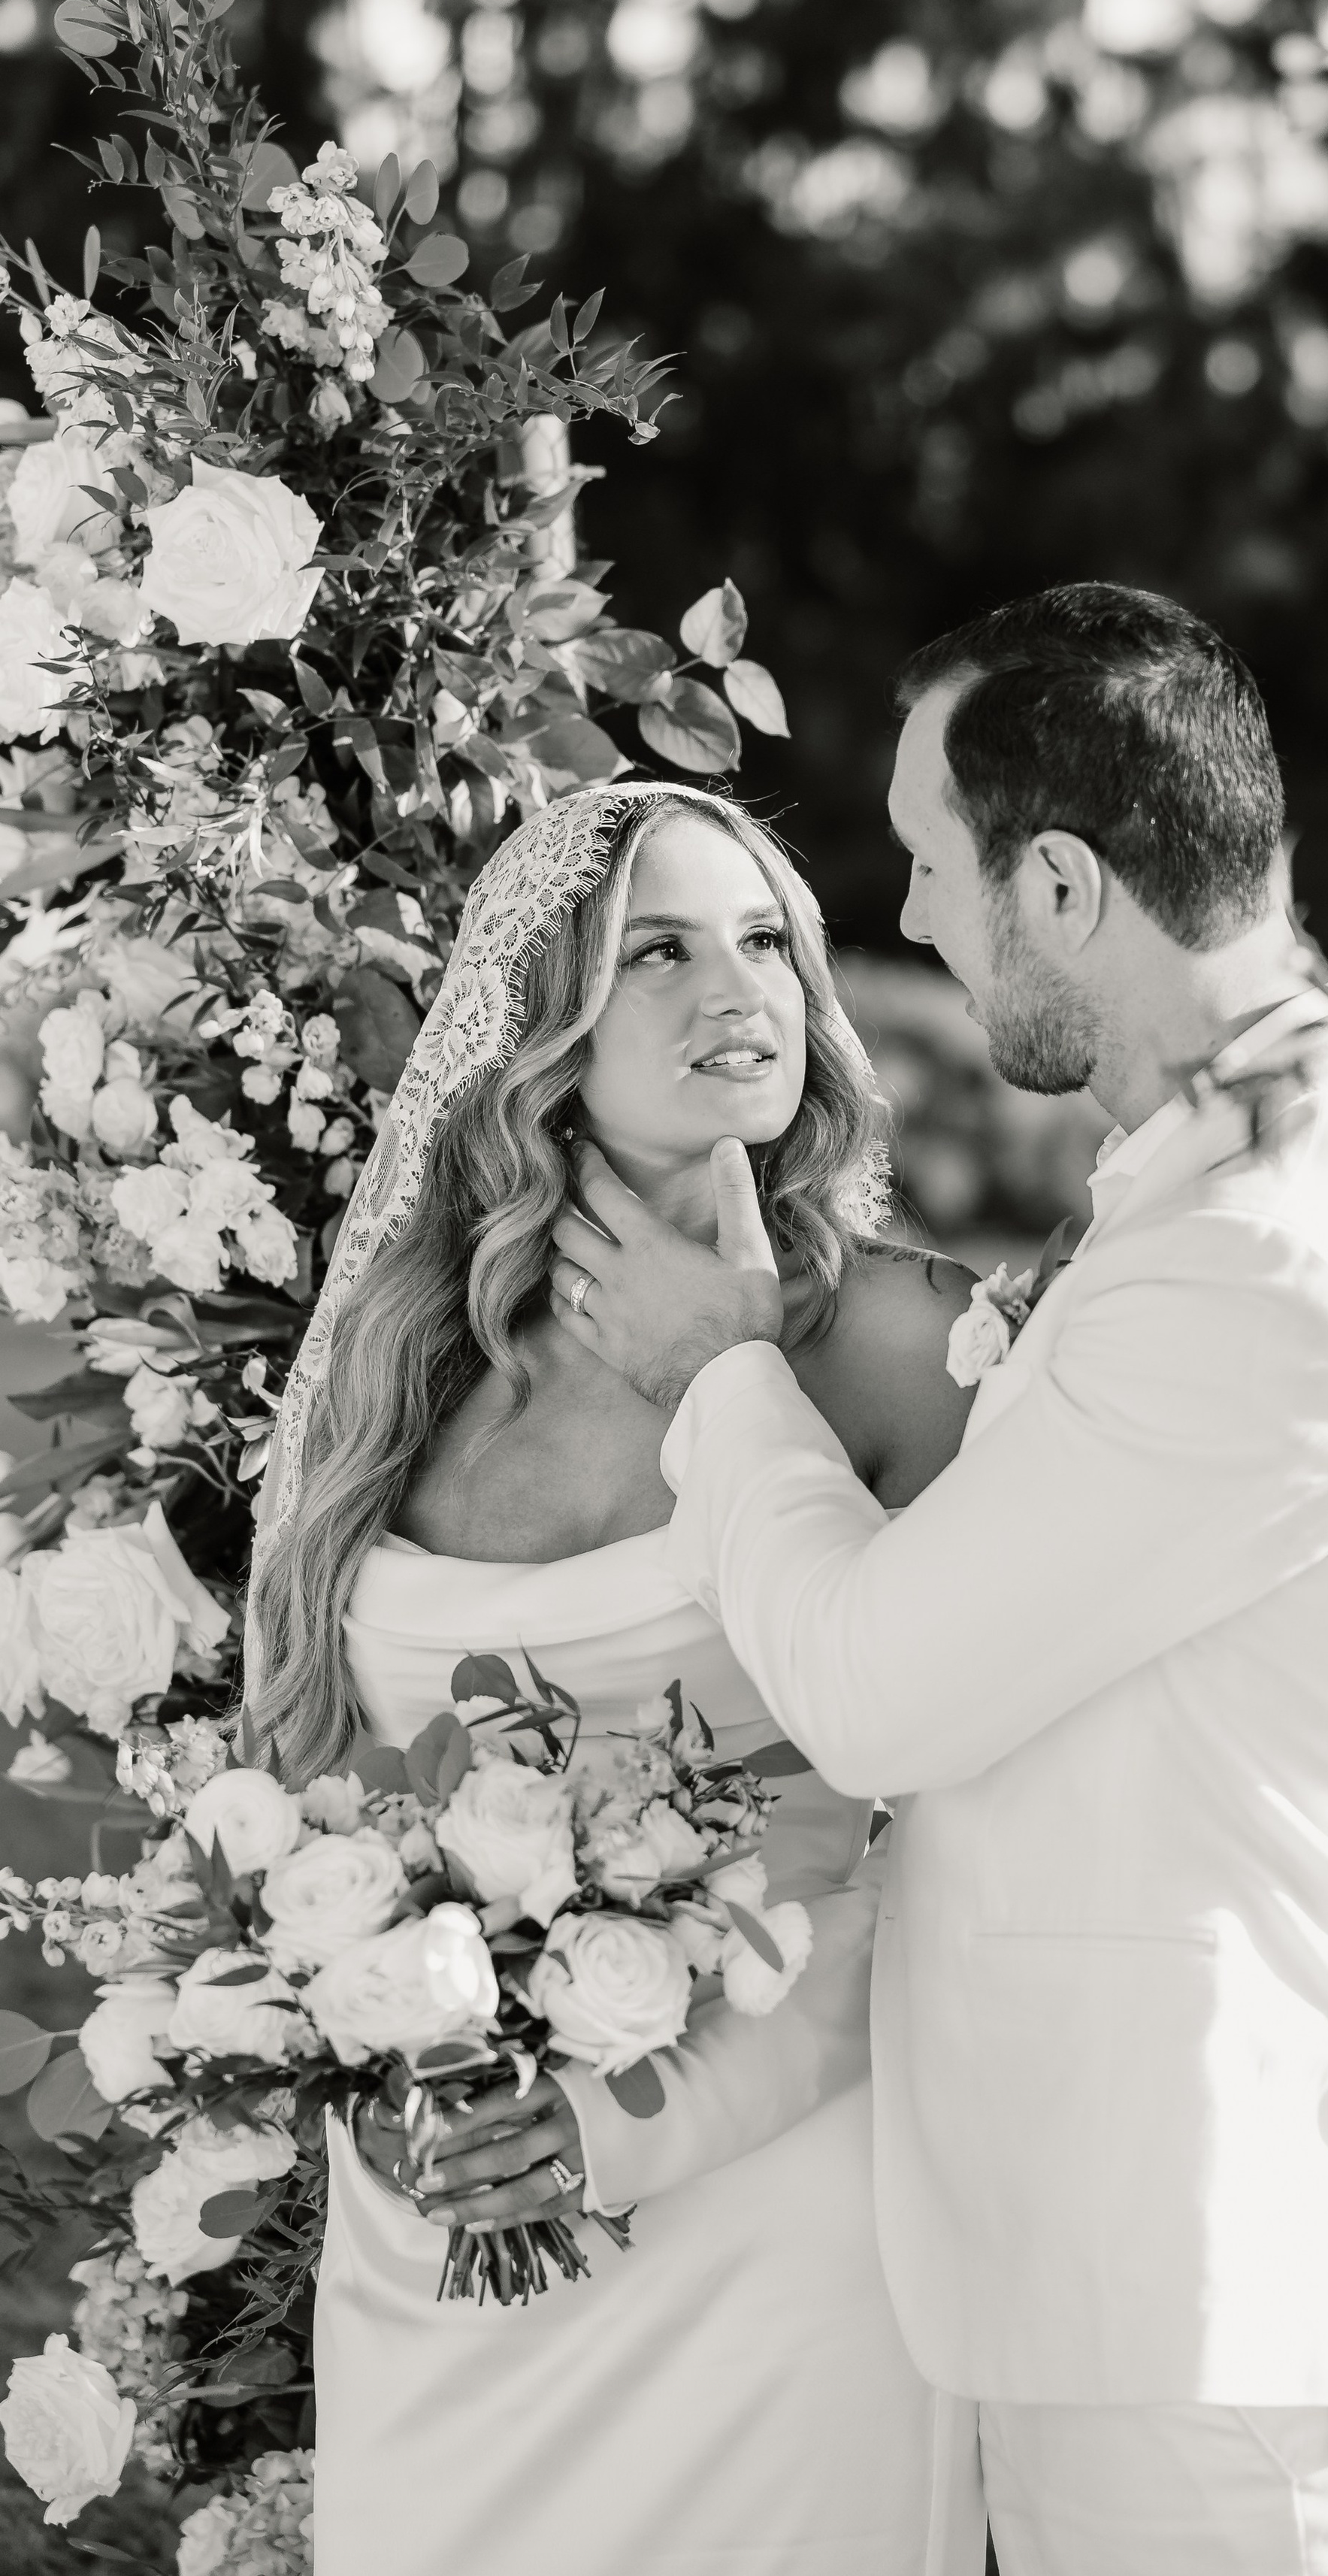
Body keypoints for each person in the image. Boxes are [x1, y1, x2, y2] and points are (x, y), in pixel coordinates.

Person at [547, 586, 1328, 2576]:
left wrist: (721, 1364)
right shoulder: (1248, 1162)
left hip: (1243, 2340)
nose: (909, 921)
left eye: (933, 867)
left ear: (1067, 883)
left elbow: (880, 1685)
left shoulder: (1275, 1252)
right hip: (1168, 2279)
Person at [245, 779, 987, 2576]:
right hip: (445, 2243)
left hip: (769, 2213)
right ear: (541, 1024)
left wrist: (618, 2114)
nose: (730, 989)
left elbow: (974, 1851)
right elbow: (315, 1787)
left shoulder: (893, 1340)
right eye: (654, 949)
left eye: (760, 942)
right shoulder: (404, 1366)